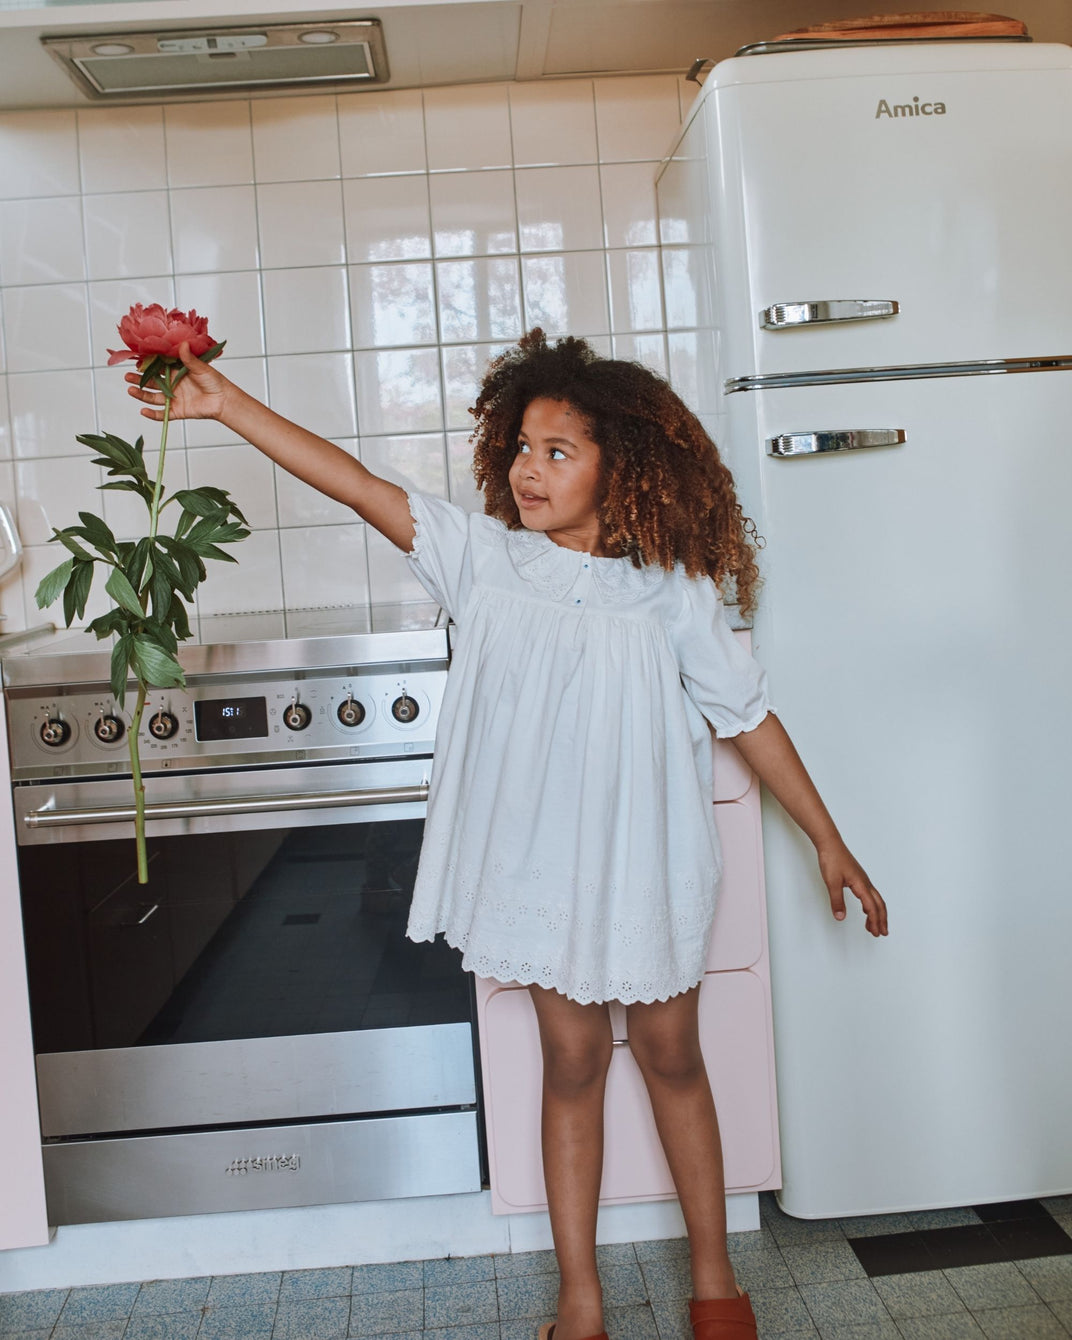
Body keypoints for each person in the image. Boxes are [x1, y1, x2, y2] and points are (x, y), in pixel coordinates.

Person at [128, 329, 887, 1340]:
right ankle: (581, 1300)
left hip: (644, 865)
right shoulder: (483, 560)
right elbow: (358, 485)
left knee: (671, 1055)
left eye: (559, 452)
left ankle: (715, 1285)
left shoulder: (671, 589)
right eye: (523, 448)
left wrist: (825, 837)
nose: (530, 469)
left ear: (624, 471)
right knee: (570, 1063)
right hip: (536, 871)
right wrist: (227, 406)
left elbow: (747, 717)